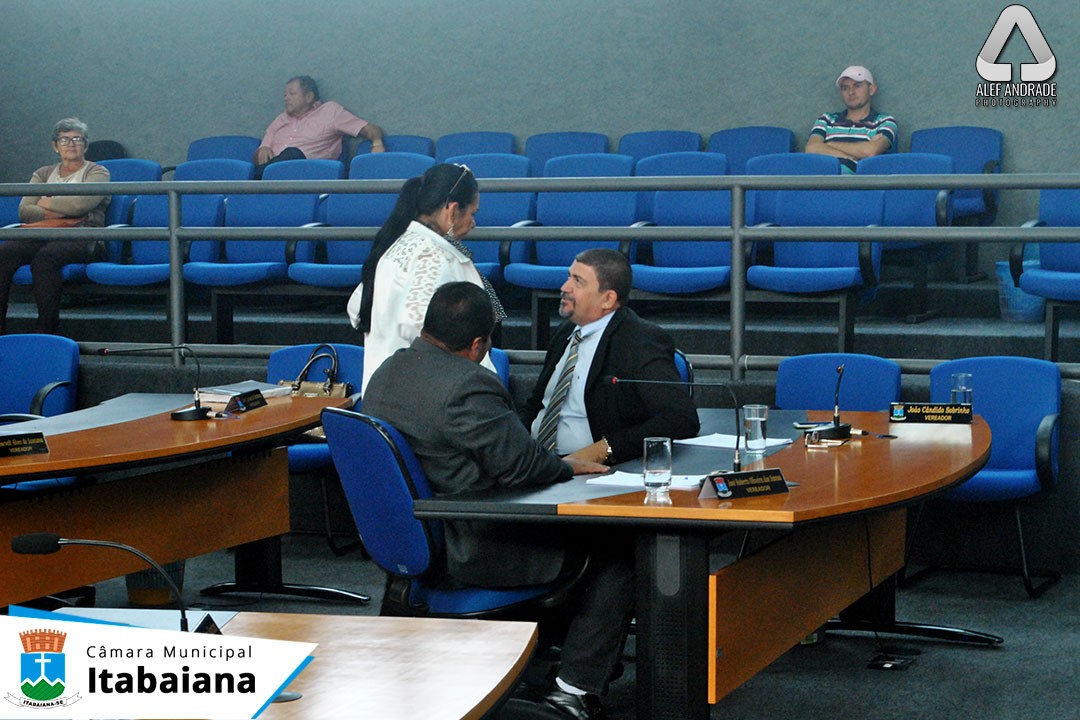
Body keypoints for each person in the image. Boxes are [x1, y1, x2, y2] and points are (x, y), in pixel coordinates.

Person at [361, 281, 630, 720]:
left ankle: (534, 655)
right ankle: (574, 691)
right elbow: (522, 466)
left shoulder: (387, 372)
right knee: (618, 547)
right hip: (471, 546)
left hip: (412, 542)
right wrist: (567, 467)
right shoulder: (468, 384)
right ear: (477, 344)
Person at [525, 248, 700, 465]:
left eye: (577, 281)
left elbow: (680, 419)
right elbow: (537, 404)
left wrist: (603, 450)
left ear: (607, 299)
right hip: (534, 461)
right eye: (568, 277)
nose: (564, 287)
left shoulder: (640, 341)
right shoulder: (566, 332)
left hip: (590, 469)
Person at [347, 162, 506, 391]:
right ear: (452, 210)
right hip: (427, 396)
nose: (473, 223)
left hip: (380, 390)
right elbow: (425, 331)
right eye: (472, 213)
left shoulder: (395, 244)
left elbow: (355, 309)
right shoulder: (437, 258)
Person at [0, 117, 111, 335]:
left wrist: (44, 202)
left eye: (77, 139)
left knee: (46, 258)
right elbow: (24, 210)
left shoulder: (98, 172)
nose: (71, 144)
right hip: (42, 231)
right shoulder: (43, 173)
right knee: (3, 254)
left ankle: (46, 331)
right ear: (55, 146)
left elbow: (80, 205)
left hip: (81, 234)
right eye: (64, 140)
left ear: (85, 145)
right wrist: (63, 207)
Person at [254, 75, 384, 177]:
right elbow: (257, 158)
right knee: (251, 168)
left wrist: (377, 143)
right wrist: (263, 149)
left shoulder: (329, 112)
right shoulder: (280, 119)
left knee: (293, 153)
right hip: (272, 176)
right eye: (285, 95)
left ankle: (252, 181)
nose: (286, 98)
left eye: (292, 94)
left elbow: (370, 129)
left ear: (309, 97)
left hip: (309, 174)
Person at [805, 65, 897, 173]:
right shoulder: (826, 119)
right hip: (822, 178)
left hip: (860, 182)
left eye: (857, 86)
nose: (851, 92)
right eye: (845, 88)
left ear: (872, 89)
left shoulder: (884, 121)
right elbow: (811, 148)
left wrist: (829, 144)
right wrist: (851, 157)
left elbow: (870, 151)